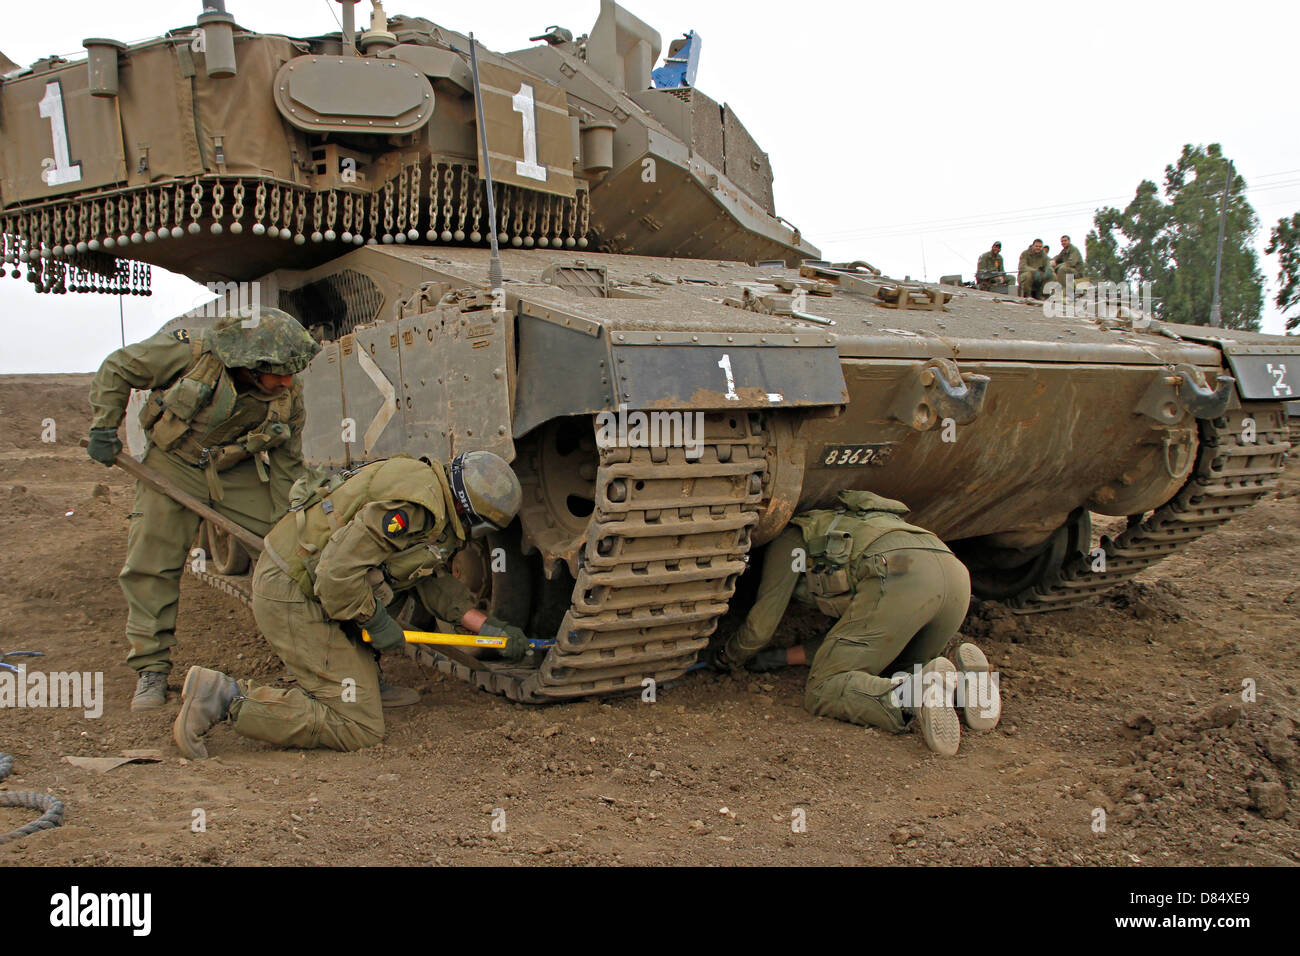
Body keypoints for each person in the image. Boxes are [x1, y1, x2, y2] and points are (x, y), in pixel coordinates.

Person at [172, 451, 529, 757]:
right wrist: (375, 622)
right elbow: (335, 575)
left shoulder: (431, 490)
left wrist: (485, 627)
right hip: (292, 592)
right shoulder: (413, 508)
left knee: (388, 589)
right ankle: (225, 697)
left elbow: (427, 576)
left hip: (310, 583)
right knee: (359, 726)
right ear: (469, 512)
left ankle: (361, 681)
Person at [86, 307, 320, 711]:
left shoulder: (288, 397)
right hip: (174, 463)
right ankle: (151, 669)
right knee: (151, 562)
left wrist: (289, 528)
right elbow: (117, 367)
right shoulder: (190, 355)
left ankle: (320, 663)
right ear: (250, 365)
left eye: (291, 372)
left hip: (235, 470)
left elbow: (288, 467)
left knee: (293, 555)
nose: (287, 381)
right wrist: (104, 426)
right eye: (279, 371)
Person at [712, 491, 999, 755]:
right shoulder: (868, 526)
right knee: (894, 667)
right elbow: (847, 634)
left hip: (899, 573)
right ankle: (965, 681)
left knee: (825, 688)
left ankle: (912, 696)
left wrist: (729, 657)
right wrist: (780, 658)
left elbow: (762, 624)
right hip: (955, 576)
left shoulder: (793, 537)